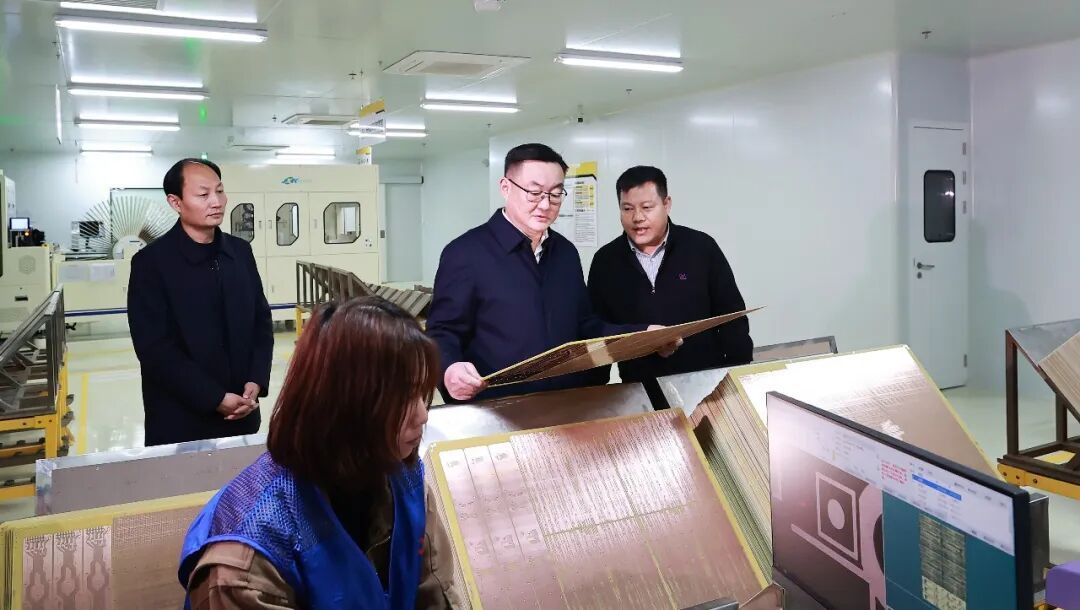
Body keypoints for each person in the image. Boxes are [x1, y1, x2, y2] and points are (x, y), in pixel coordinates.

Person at [178, 298, 460, 609]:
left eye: (422, 393)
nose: (423, 415)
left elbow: (435, 596)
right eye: (403, 397)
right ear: (343, 404)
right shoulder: (247, 562)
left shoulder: (404, 481)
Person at [427, 143, 677, 403]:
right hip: (496, 408)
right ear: (505, 187)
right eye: (534, 193)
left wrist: (644, 334)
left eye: (556, 194)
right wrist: (449, 369)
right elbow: (442, 332)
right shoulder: (466, 253)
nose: (545, 204)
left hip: (566, 405)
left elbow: (584, 326)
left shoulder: (565, 253)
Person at [128, 159, 273, 446]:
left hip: (242, 414)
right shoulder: (152, 263)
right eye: (203, 194)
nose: (216, 202)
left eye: (220, 191)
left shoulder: (240, 253)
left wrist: (256, 380)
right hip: (180, 422)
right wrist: (215, 398)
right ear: (176, 202)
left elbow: (260, 321)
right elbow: (154, 348)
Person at [588, 165, 752, 384]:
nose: (637, 217)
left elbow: (732, 316)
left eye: (647, 207)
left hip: (704, 382)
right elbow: (597, 332)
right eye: (627, 209)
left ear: (666, 204)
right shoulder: (605, 261)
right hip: (639, 386)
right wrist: (595, 391)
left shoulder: (701, 248)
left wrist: (739, 374)